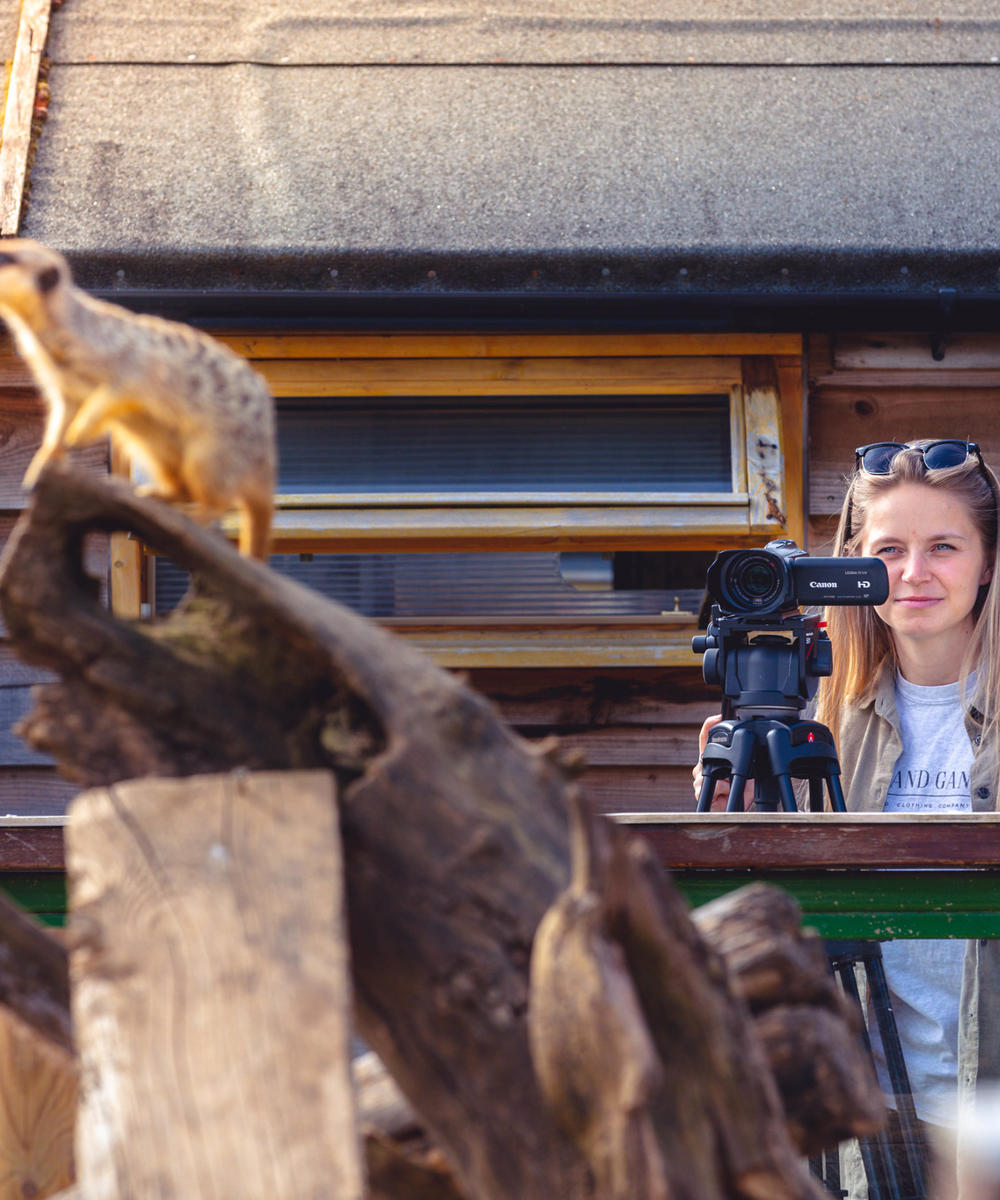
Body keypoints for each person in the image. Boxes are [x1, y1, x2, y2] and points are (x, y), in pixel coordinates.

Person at [693, 439, 1000, 1196]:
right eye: (889, 549)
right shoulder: (829, 725)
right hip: (879, 1110)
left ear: (988, 562)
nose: (914, 573)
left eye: (944, 547)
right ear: (856, 568)